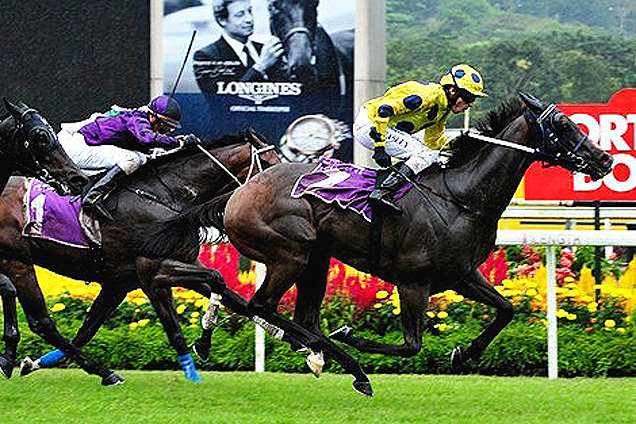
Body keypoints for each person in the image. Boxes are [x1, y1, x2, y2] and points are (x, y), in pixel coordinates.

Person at [353, 64, 487, 214]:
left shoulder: (443, 109)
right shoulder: (427, 97)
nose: (470, 105)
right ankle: (382, 192)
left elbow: (434, 141)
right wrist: (379, 147)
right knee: (426, 155)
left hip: (383, 128)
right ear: (452, 90)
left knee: (432, 156)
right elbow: (383, 111)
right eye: (469, 97)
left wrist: (464, 143)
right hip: (372, 124)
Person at [58, 95, 198, 221]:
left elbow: (155, 148)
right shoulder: (138, 118)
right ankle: (93, 197)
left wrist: (181, 145)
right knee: (133, 159)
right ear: (152, 116)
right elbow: (147, 138)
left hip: (89, 146)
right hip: (77, 149)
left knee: (142, 158)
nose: (164, 132)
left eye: (169, 130)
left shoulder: (144, 121)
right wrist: (178, 142)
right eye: (164, 127)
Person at [193, 0, 284, 92]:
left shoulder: (265, 50)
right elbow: (223, 99)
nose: (250, 19)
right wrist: (261, 67)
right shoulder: (206, 56)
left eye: (250, 11)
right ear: (222, 20)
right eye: (240, 15)